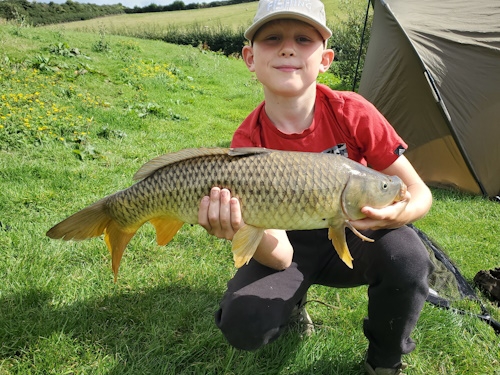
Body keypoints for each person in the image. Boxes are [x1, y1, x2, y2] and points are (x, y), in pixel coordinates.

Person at [198, 0, 434, 374]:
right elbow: (279, 256)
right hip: (289, 243)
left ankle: (385, 361)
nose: (288, 47)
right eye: (272, 38)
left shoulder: (352, 111)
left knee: (408, 256)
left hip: (357, 232)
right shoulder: (248, 139)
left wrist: (397, 213)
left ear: (325, 59)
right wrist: (235, 228)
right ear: (249, 57)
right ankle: (292, 301)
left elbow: (418, 192)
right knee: (243, 323)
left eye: (303, 39)